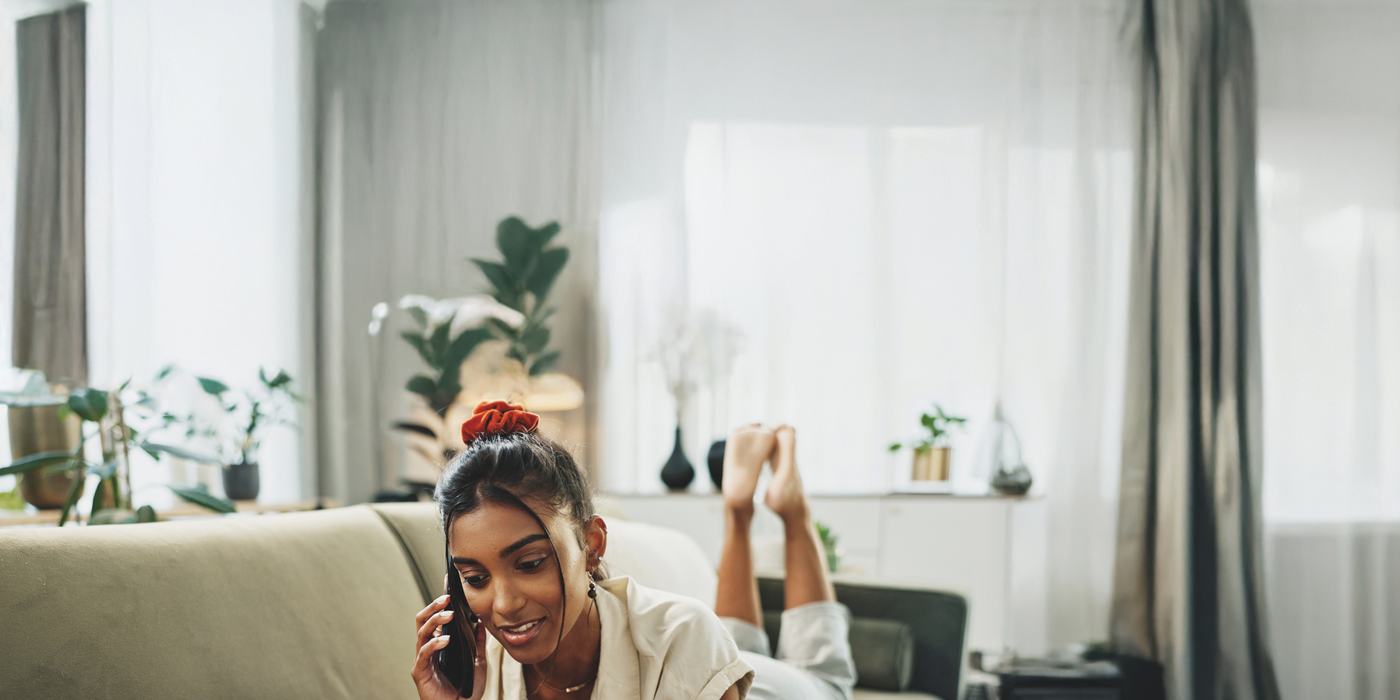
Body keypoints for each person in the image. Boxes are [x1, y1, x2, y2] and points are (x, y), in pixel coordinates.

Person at [411, 401, 857, 700]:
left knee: (826, 677)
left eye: (529, 564)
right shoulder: (482, 668)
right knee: (737, 640)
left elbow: (694, 647)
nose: (504, 605)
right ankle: (737, 512)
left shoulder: (685, 635)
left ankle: (791, 510)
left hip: (754, 685)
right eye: (475, 578)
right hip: (708, 663)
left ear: (592, 545)